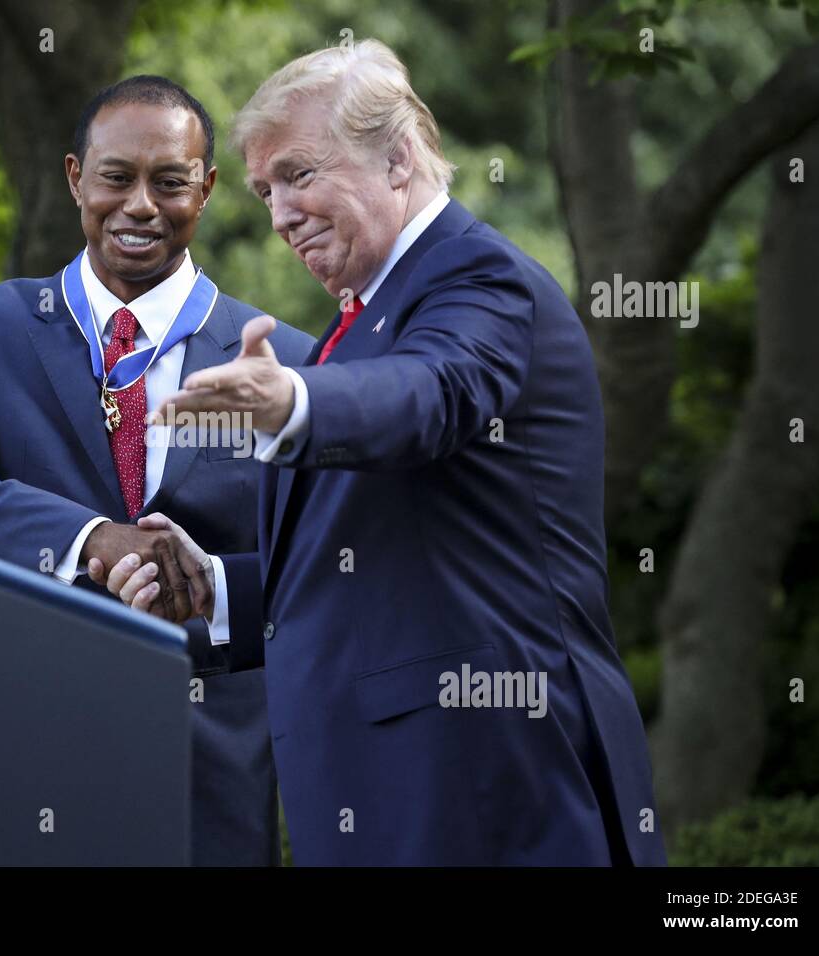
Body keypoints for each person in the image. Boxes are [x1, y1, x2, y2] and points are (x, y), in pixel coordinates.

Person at [106, 42, 668, 865]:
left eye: (299, 175)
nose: (280, 214)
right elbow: (366, 567)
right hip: (391, 801)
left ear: (399, 158)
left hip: (484, 789)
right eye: (265, 191)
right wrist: (211, 591)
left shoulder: (479, 282)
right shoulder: (359, 319)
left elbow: (430, 394)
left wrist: (294, 400)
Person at [0, 75, 313, 866]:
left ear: (207, 189)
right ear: (77, 177)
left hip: (211, 778)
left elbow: (325, 564)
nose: (141, 204)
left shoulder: (289, 362)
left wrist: (209, 581)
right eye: (117, 178)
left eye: (170, 181)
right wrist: (94, 541)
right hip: (19, 755)